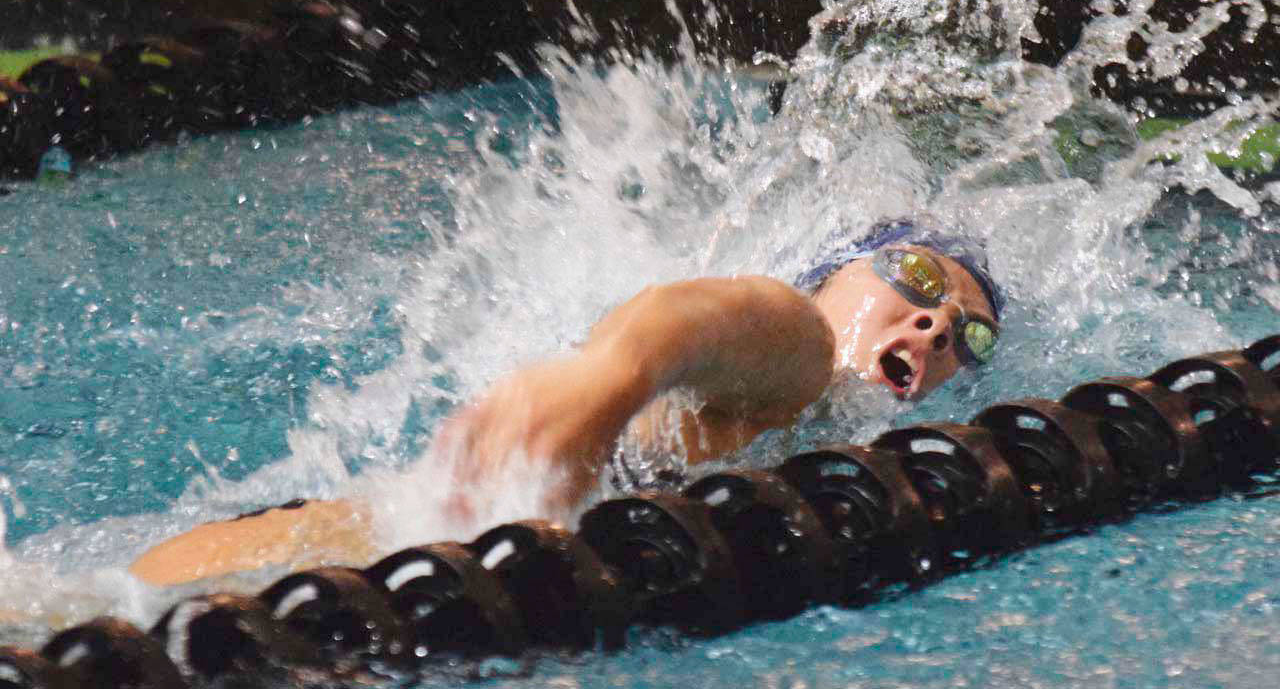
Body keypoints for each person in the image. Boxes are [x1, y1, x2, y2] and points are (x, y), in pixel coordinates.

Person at [128, 219, 1003, 585]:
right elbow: (693, 319)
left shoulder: (828, 440)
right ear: (838, 271)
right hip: (327, 549)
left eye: (971, 337)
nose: (934, 323)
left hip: (385, 564)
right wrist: (606, 379)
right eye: (917, 276)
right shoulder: (797, 353)